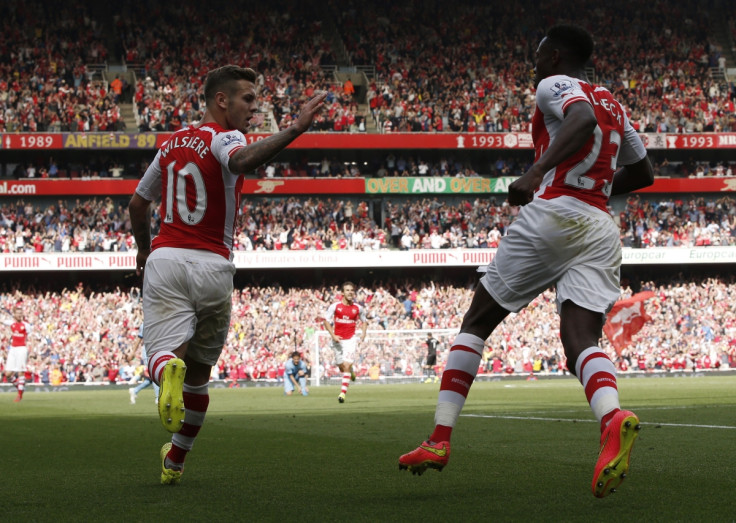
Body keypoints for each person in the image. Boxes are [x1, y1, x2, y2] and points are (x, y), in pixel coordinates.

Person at [398, 25, 654, 499]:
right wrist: (593, 188)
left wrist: (536, 171)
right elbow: (644, 172)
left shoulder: (554, 85)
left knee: (476, 320)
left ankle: (438, 440)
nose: (533, 64)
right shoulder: (616, 103)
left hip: (554, 212)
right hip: (599, 224)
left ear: (554, 54)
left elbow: (580, 122)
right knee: (580, 337)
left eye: (537, 54)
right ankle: (613, 417)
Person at [128, 64, 326, 485]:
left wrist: (144, 252)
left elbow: (137, 205)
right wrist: (293, 130)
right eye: (248, 99)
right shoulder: (226, 137)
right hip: (216, 266)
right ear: (222, 100)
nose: (254, 108)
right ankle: (176, 461)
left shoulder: (169, 146)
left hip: (166, 259)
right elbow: (240, 161)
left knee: (161, 356)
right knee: (199, 376)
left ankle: (166, 372)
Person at [321, 281, 367, 403]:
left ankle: (342, 394)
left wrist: (363, 333)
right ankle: (350, 372)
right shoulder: (335, 306)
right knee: (341, 367)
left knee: (346, 365)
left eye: (352, 290)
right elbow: (325, 320)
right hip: (337, 340)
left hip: (351, 340)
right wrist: (333, 335)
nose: (350, 292)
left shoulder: (358, 308)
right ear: (342, 293)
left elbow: (364, 320)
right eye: (347, 290)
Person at [2, 305, 32, 402]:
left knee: (20, 371)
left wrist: (30, 349)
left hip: (21, 349)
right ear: (14, 315)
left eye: (21, 313)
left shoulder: (26, 325)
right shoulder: (11, 323)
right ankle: (20, 387)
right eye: (18, 313)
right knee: (8, 373)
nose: (20, 315)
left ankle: (19, 395)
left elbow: (30, 338)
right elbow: (2, 320)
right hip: (13, 349)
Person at [128, 322, 160, 404]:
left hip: (156, 351)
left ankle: (135, 390)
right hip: (148, 352)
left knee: (151, 378)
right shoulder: (144, 325)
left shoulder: (158, 322)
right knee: (154, 375)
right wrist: (133, 352)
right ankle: (158, 398)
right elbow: (139, 339)